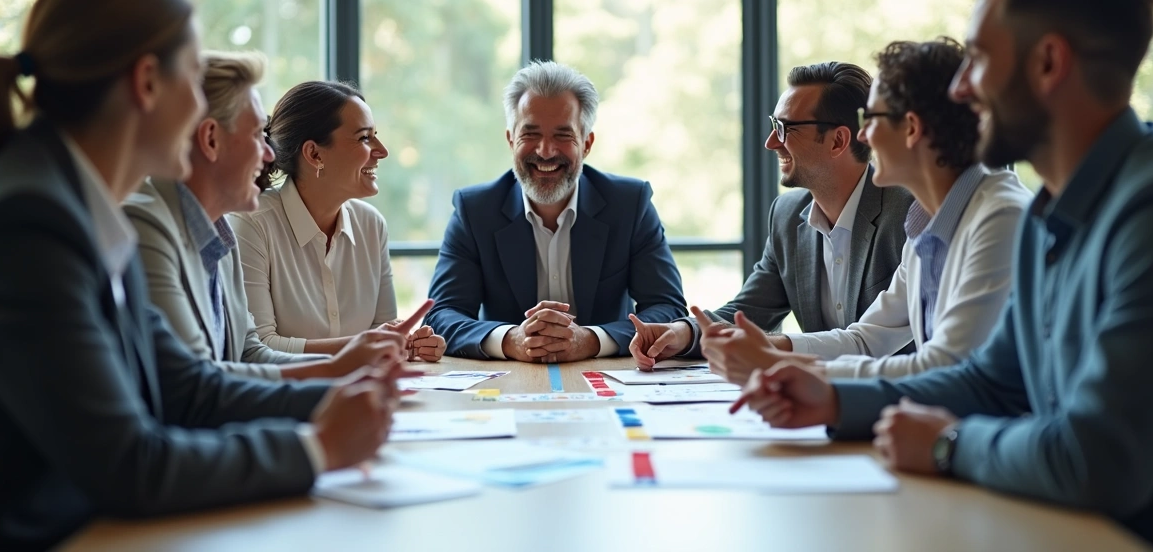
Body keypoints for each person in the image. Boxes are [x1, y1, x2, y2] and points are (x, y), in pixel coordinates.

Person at [0, 0, 411, 550]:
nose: (199, 111)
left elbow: (187, 387)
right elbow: (130, 464)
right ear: (146, 83)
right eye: (193, 79)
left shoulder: (77, 205)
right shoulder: (27, 222)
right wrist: (318, 447)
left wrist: (342, 401)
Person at [738, 0, 1153, 545]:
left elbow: (1097, 456)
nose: (961, 90)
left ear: (1048, 63)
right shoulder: (1052, 213)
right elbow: (988, 380)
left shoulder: (1148, 211)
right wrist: (831, 400)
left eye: (980, 59)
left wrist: (947, 444)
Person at [697, 38, 1031, 383]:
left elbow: (947, 368)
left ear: (912, 129)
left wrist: (792, 371)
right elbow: (865, 340)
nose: (864, 136)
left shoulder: (1001, 217)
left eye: (870, 118)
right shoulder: (927, 224)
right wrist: (771, 352)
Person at [124, 51, 405, 380]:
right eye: (258, 134)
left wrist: (340, 370)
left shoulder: (218, 234)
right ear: (211, 139)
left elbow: (249, 354)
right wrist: (335, 382)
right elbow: (195, 387)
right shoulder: (148, 226)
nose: (270, 153)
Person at [630, 62, 915, 370]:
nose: (770, 142)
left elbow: (875, 342)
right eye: (772, 125)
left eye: (785, 129)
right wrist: (682, 333)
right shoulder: (787, 215)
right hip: (817, 401)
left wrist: (768, 346)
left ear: (837, 141)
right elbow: (749, 311)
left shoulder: (909, 212)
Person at [427, 60, 686, 362]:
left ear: (586, 143)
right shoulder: (475, 210)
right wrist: (512, 340)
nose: (545, 151)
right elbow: (441, 316)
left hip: (607, 381)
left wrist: (589, 340)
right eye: (530, 134)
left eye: (563, 135)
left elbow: (668, 308)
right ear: (511, 140)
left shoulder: (630, 204)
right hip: (509, 381)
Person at [229, 81, 445, 362]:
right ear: (315, 154)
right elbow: (257, 348)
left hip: (363, 394)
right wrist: (367, 345)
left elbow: (384, 332)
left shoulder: (372, 225)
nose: (382, 150)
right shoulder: (252, 224)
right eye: (365, 138)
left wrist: (409, 343)